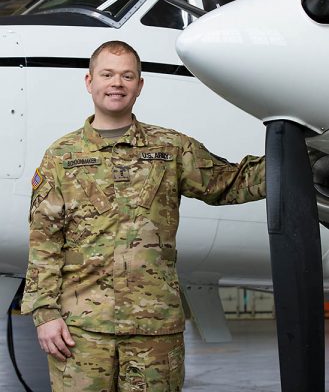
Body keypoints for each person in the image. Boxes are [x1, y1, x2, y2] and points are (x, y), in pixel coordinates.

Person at [21, 40, 265, 391]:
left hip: (155, 332)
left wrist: (300, 160)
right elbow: (44, 242)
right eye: (107, 74)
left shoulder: (170, 149)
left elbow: (229, 183)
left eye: (126, 75)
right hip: (81, 332)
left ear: (139, 85)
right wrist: (45, 314)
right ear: (89, 82)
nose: (116, 83)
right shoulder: (61, 157)